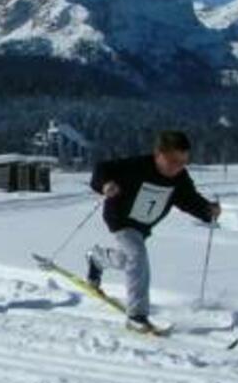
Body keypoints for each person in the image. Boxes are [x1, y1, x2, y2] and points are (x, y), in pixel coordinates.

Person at [87, 130, 220, 333]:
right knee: (137, 256)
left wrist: (207, 210)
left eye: (183, 162)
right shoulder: (137, 166)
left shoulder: (179, 178)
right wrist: (106, 184)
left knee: (129, 260)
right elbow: (101, 169)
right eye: (174, 161)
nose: (178, 167)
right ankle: (136, 316)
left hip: (142, 226)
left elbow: (189, 199)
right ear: (159, 154)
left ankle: (97, 258)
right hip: (120, 219)